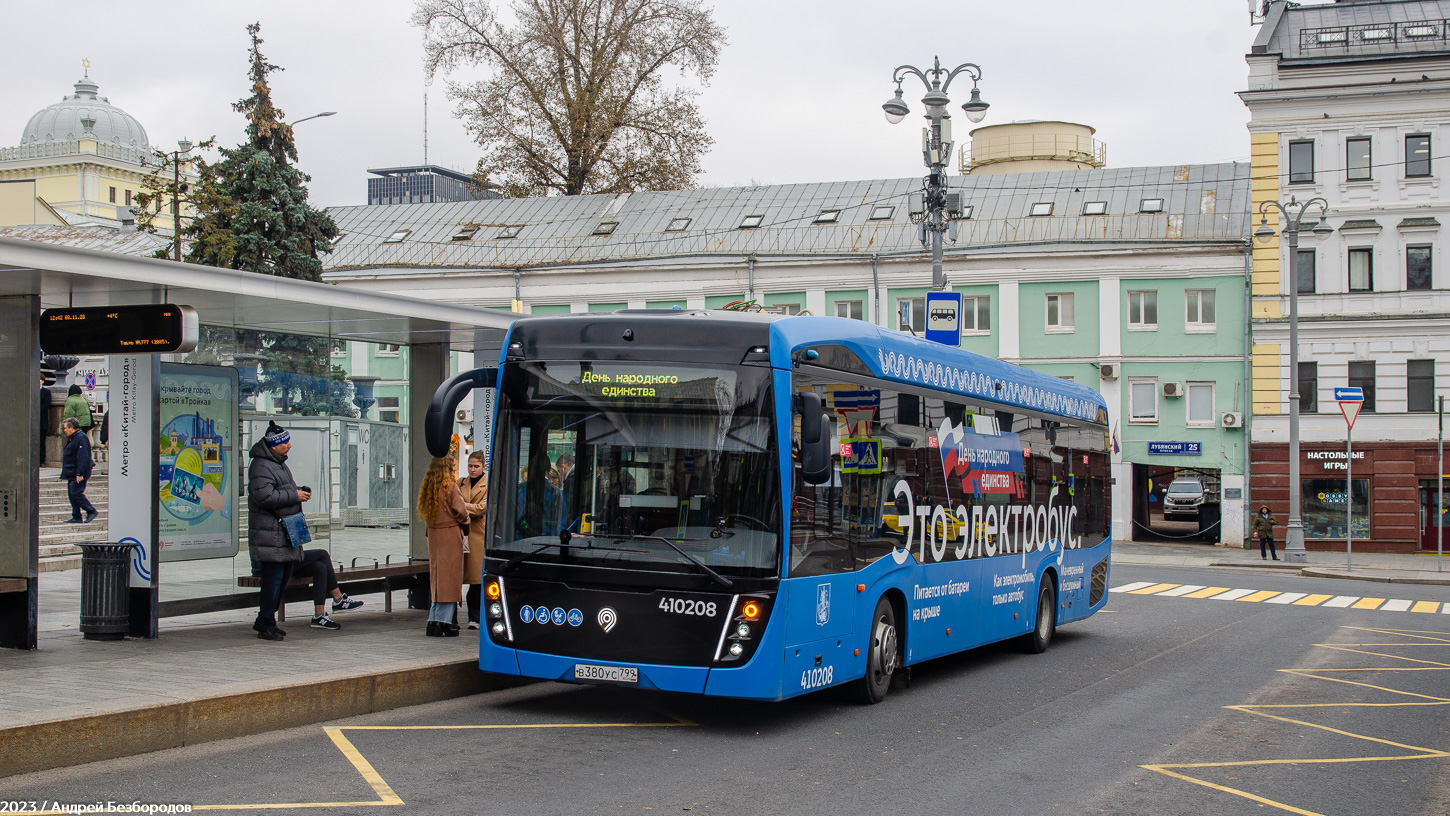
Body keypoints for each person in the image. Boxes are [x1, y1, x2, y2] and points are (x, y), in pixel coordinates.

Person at [248, 421, 309, 641]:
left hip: (282, 533)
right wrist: (295, 495)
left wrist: (297, 491)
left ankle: (267, 620)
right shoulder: (261, 465)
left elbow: (279, 490)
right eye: (285, 442)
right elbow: (264, 497)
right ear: (274, 445)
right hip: (270, 534)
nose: (289, 445)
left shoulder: (278, 463)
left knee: (283, 578)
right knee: (273, 580)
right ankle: (265, 622)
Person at [419, 453, 468, 637]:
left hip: (434, 535)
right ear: (446, 467)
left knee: (438, 580)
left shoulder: (429, 487)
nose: (455, 468)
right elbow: (461, 511)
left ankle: (433, 621)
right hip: (449, 534)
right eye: (452, 465)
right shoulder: (450, 486)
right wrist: (466, 523)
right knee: (450, 580)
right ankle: (445, 622)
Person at [292, 549, 363, 630]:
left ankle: (319, 616)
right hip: (281, 560)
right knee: (323, 554)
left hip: (290, 557)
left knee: (320, 567)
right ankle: (338, 599)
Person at [459, 451, 488, 629]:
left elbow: (480, 509)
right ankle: (471, 616)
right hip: (463, 533)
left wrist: (461, 506)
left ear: (483, 466)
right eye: (470, 466)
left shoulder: (488, 483)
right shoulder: (461, 482)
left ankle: (475, 618)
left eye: (476, 466)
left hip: (479, 535)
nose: (472, 469)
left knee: (476, 580)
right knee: (463, 577)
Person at [59, 418, 97, 524]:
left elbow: (83, 456)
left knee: (76, 492)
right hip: (71, 471)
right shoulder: (73, 437)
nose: (64, 430)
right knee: (71, 494)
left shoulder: (81, 437)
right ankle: (76, 516)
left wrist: (80, 473)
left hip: (78, 472)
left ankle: (91, 510)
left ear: (72, 427)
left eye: (66, 428)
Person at [38, 377, 52, 467]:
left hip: (42, 420)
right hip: (33, 421)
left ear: (43, 381)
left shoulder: (46, 392)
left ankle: (41, 460)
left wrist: (37, 410)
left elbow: (46, 404)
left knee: (41, 441)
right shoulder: (31, 390)